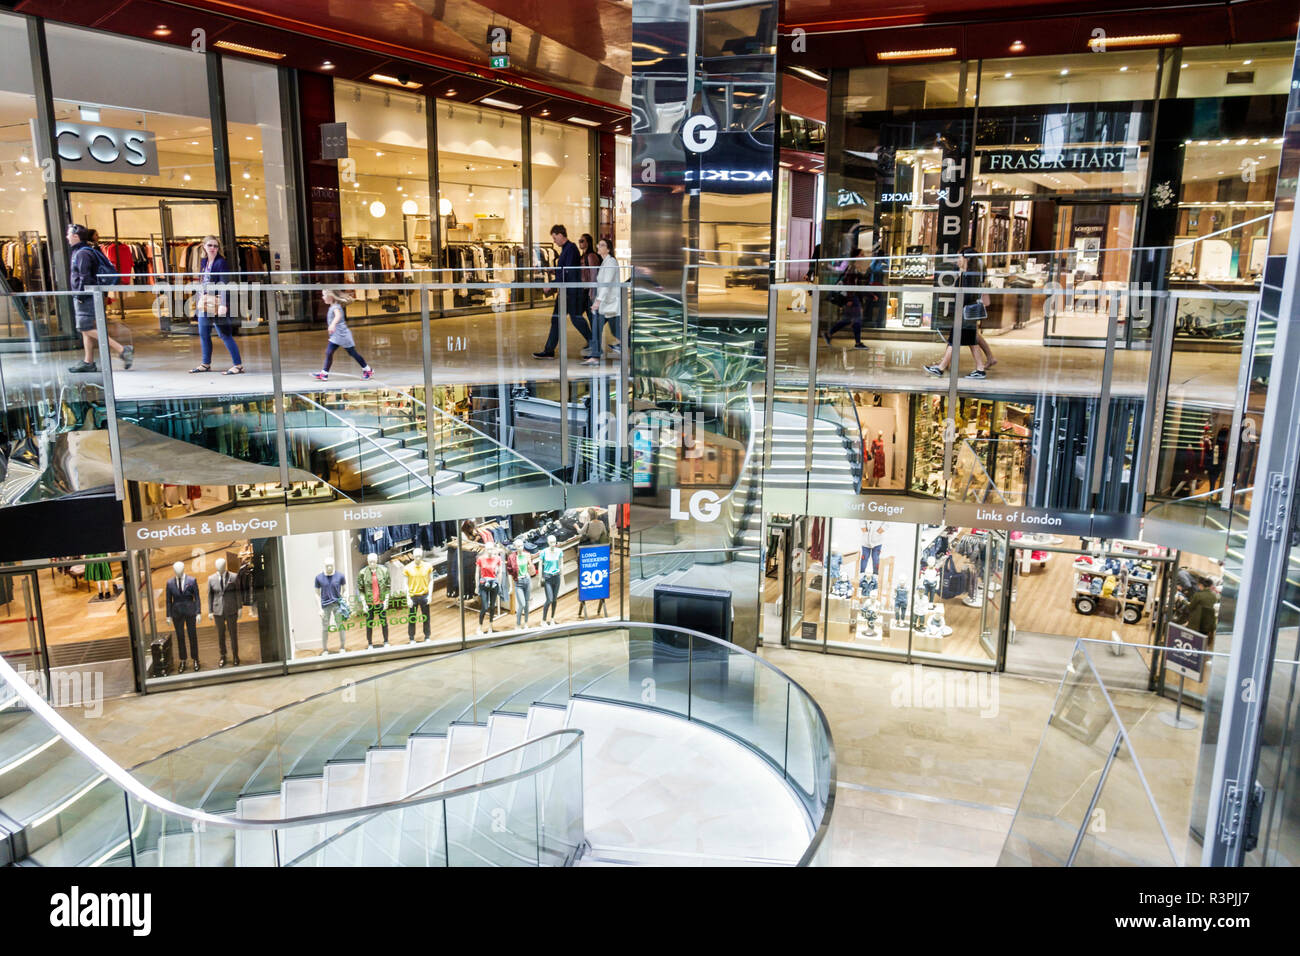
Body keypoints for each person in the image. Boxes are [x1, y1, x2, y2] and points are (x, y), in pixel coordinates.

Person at [66, 224, 132, 373]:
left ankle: (122, 349)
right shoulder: (85, 251)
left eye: (69, 234)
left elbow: (85, 277)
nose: (67, 237)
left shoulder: (82, 253)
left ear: (76, 236)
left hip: (86, 297)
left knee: (84, 327)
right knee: (86, 329)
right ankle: (88, 361)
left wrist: (81, 295)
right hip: (88, 296)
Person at [924, 246, 993, 379]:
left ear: (966, 258)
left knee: (955, 339)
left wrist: (957, 306)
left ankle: (941, 367)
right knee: (970, 340)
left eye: (959, 257)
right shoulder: (971, 273)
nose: (958, 260)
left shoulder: (969, 276)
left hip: (965, 313)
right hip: (967, 313)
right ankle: (979, 368)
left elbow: (967, 296)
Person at [534, 224, 592, 359]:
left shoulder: (570, 249)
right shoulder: (567, 249)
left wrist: (552, 284)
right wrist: (554, 271)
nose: (554, 241)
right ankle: (549, 350)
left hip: (571, 292)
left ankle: (594, 344)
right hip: (566, 291)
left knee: (576, 318)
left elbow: (569, 272)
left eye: (554, 238)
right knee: (558, 320)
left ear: (560, 235)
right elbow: (565, 270)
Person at [188, 235, 243, 375]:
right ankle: (205, 364)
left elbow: (224, 283)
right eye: (210, 245)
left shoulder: (221, 262)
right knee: (203, 333)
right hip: (205, 303)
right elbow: (203, 282)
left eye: (216, 246)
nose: (213, 248)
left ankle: (238, 365)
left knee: (225, 334)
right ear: (204, 246)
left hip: (217, 303)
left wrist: (224, 303)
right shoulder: (204, 261)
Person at [313, 289, 373, 380]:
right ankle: (324, 373)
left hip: (343, 336)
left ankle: (367, 369)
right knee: (329, 352)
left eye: (324, 295)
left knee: (352, 353)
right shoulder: (332, 306)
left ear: (331, 297)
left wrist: (333, 324)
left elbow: (338, 316)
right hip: (336, 336)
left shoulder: (336, 307)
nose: (322, 297)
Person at [584, 237, 622, 365]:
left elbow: (606, 284)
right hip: (606, 303)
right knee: (598, 328)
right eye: (598, 244)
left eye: (602, 245)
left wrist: (597, 301)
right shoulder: (605, 262)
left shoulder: (610, 262)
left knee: (613, 330)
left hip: (608, 303)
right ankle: (595, 355)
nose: (598, 247)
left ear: (608, 249)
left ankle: (633, 344)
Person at [823, 255, 870, 349]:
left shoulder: (855, 268)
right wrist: (849, 299)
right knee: (857, 319)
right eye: (861, 254)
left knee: (847, 320)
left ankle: (829, 334)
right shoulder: (852, 269)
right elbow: (849, 284)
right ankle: (857, 343)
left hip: (852, 297)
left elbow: (858, 284)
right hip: (852, 298)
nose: (863, 256)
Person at [578, 232, 602, 354]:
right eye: (579, 241)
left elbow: (594, 275)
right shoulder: (583, 256)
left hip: (589, 292)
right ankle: (592, 341)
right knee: (578, 315)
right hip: (584, 291)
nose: (580, 243)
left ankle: (596, 346)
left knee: (592, 319)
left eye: (582, 241)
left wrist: (592, 292)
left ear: (588, 242)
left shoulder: (591, 256)